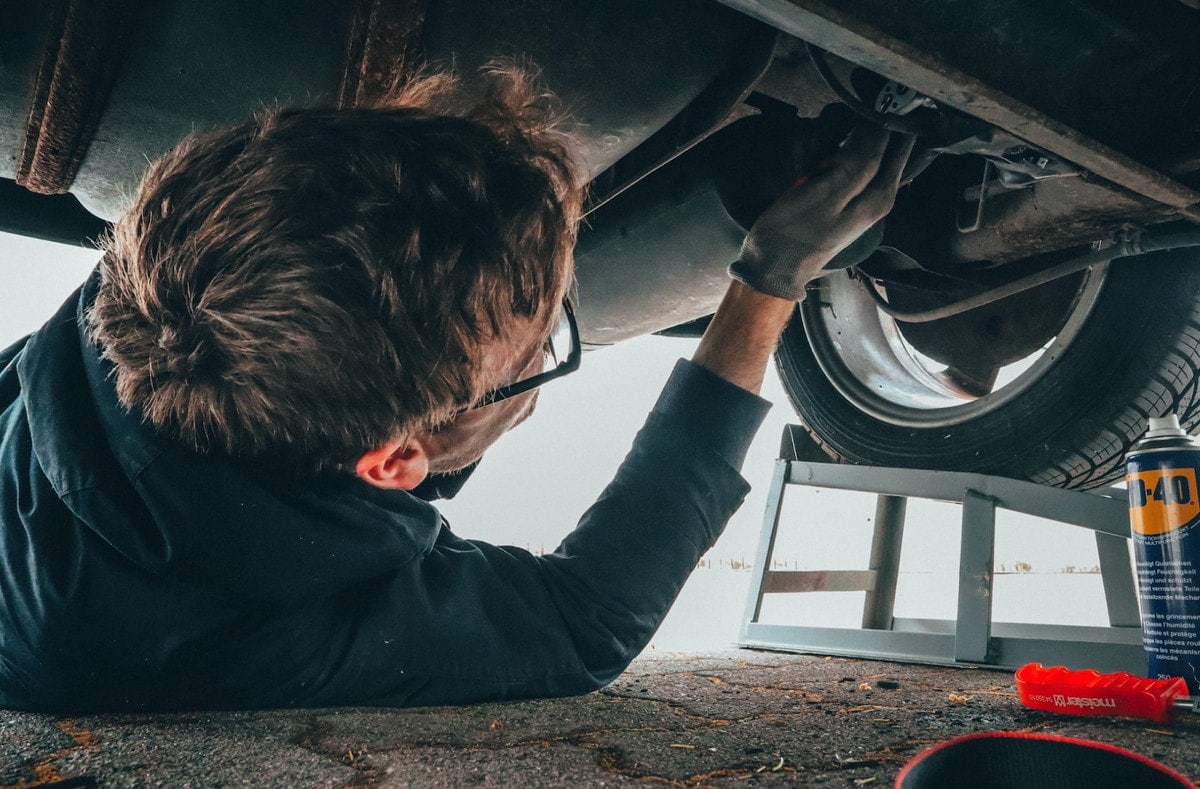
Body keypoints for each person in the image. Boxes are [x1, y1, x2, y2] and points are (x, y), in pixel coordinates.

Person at [0, 65, 912, 712]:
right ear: (394, 460)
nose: (537, 384)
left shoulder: (172, 274)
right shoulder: (226, 630)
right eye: (537, 355)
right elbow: (586, 620)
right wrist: (768, 280)